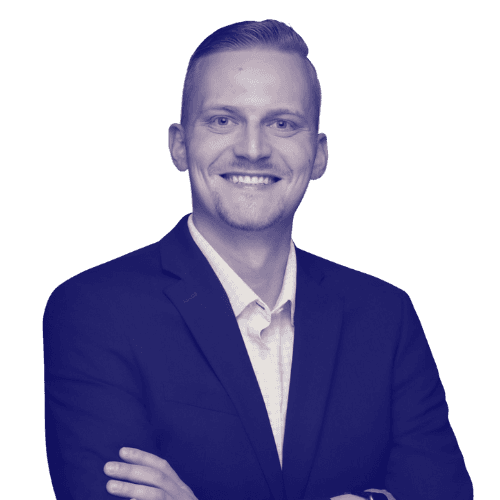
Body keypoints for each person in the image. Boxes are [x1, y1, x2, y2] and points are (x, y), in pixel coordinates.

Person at [43, 19, 473, 500]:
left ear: (319, 155)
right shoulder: (94, 310)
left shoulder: (386, 315)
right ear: (179, 145)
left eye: (282, 124)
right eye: (222, 120)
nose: (252, 150)